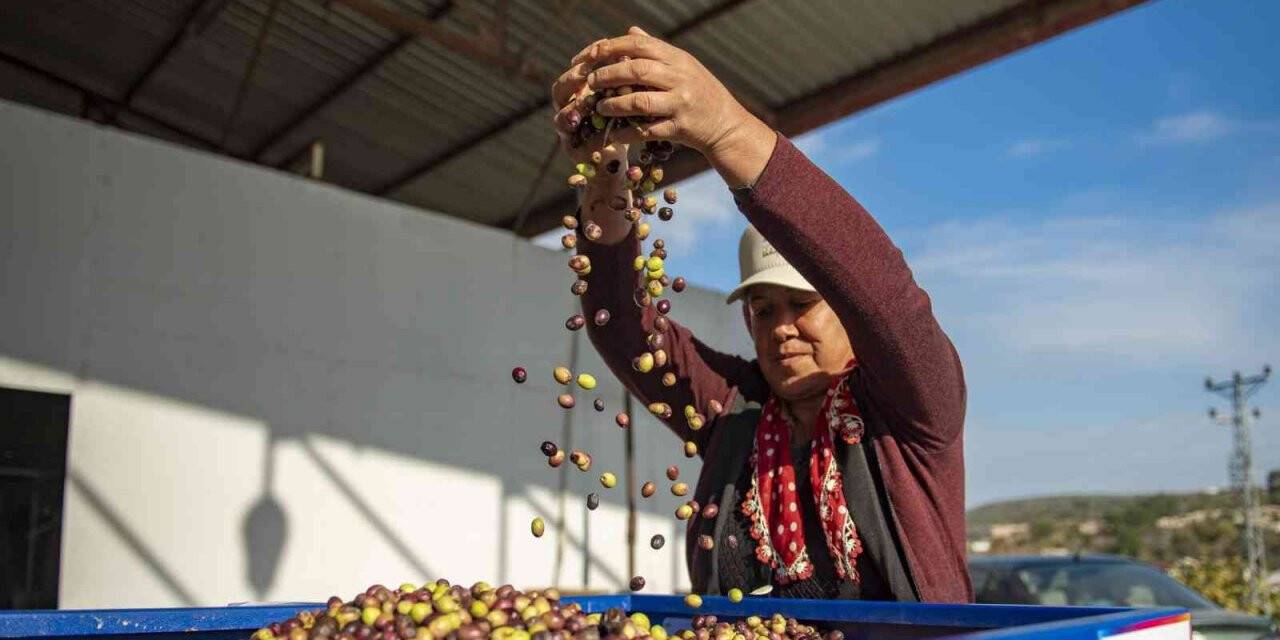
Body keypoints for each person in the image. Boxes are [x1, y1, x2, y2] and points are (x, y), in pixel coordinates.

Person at [552, 27, 970, 603]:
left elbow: (886, 295)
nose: (780, 328)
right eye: (762, 309)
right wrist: (605, 179)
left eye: (803, 306)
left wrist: (727, 130)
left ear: (848, 312)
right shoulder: (735, 411)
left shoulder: (911, 410)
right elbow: (623, 330)